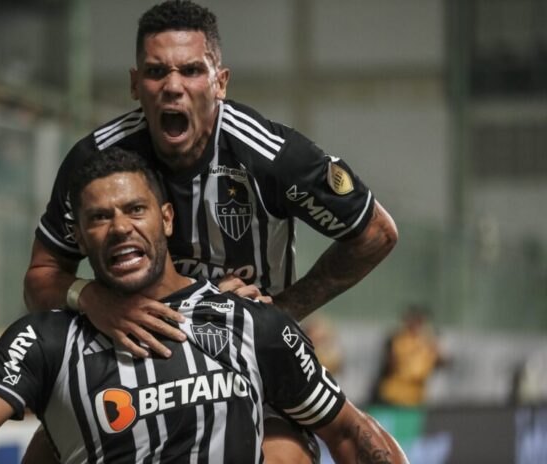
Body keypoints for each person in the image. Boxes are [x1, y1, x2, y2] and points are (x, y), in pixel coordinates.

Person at [25, 2, 397, 461]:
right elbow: (41, 277)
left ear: (220, 82)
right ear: (135, 84)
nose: (173, 87)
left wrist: (281, 311)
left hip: (242, 360)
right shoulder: (96, 162)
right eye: (157, 71)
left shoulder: (272, 156)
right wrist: (94, 299)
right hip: (127, 355)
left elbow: (376, 232)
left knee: (288, 458)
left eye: (191, 70)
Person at [0, 148, 408, 464]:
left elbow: (349, 436)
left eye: (135, 210)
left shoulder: (252, 323)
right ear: (81, 238)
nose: (120, 227)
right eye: (99, 218)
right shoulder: (49, 337)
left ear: (167, 219)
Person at [372, 304, 444, 407]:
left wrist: (434, 349)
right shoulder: (398, 339)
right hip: (393, 396)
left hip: (416, 398)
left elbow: (441, 362)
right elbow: (391, 364)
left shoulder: (428, 342)